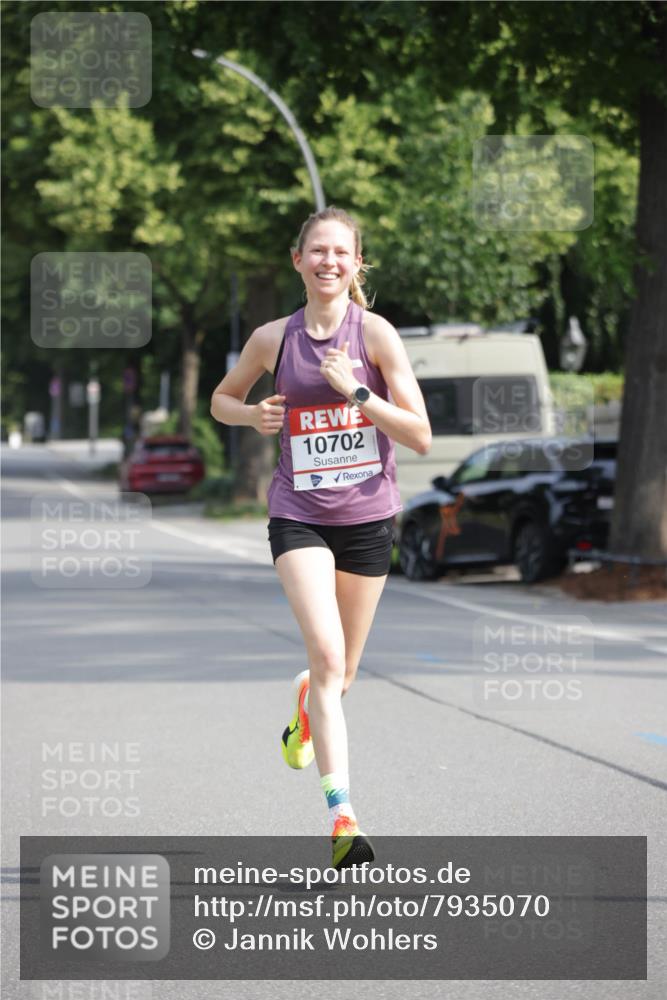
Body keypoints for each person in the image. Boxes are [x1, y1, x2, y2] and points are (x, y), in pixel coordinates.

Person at [210, 206, 431, 869]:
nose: (329, 261)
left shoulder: (378, 336)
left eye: (341, 252)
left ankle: (307, 705)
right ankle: (343, 818)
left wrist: (356, 392)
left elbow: (419, 435)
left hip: (367, 521)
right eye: (317, 251)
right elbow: (221, 399)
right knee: (329, 658)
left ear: (356, 263)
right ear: (297, 259)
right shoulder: (271, 339)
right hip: (297, 514)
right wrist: (252, 414)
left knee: (341, 675)